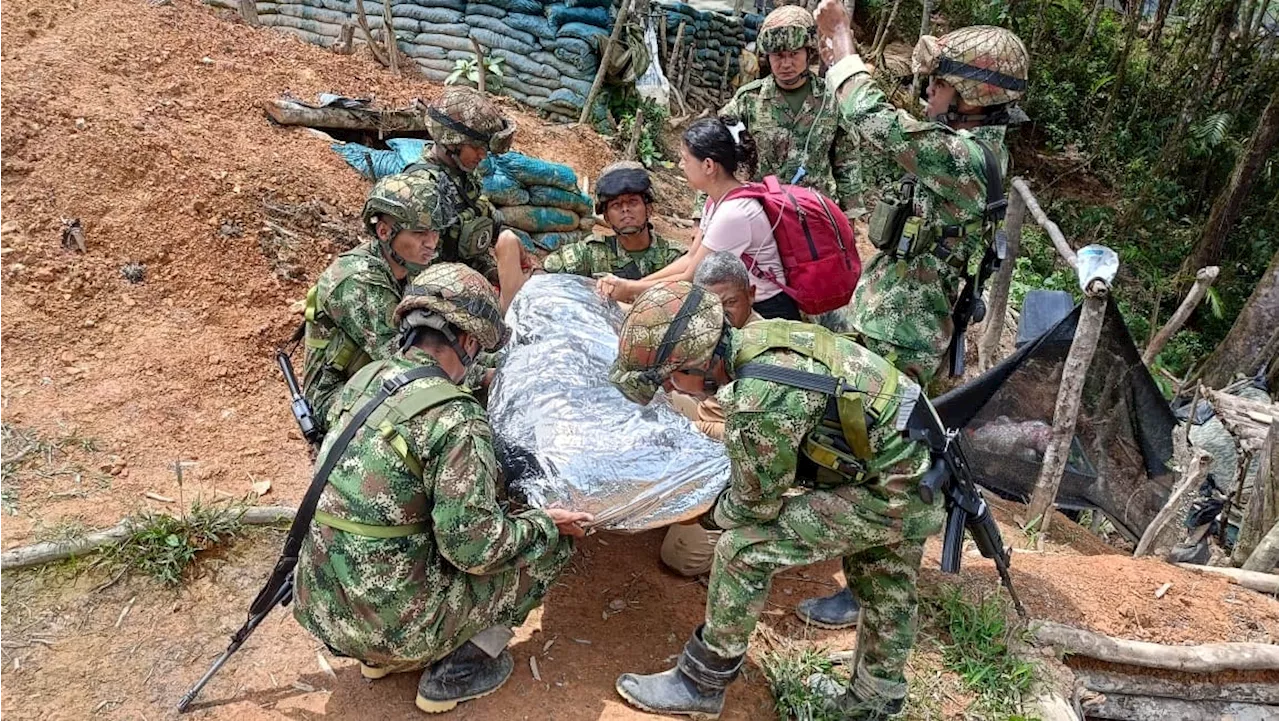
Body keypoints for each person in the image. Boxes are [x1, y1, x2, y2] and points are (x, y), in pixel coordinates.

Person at [794, 0, 1030, 635]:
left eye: (942, 82)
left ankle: (873, 589)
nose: (929, 91)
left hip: (907, 335)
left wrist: (842, 46)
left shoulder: (966, 159)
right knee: (859, 444)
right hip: (888, 318)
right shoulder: (961, 148)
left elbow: (877, 123)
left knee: (889, 462)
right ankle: (849, 559)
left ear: (973, 96)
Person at [609, 282, 941, 719]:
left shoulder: (758, 400)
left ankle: (700, 685)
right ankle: (875, 700)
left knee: (742, 550)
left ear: (702, 362)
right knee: (885, 581)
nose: (675, 388)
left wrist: (701, 512)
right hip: (916, 465)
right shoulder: (763, 340)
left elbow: (754, 507)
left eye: (671, 377)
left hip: (890, 489)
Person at [292, 263, 593, 714]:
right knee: (550, 544)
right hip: (395, 627)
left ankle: (379, 660)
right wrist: (543, 523)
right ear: (469, 342)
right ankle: (457, 670)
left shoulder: (364, 380)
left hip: (326, 611)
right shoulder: (457, 421)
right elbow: (474, 550)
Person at [597, 117, 802, 321]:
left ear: (708, 165)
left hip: (766, 313)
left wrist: (631, 290)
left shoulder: (734, 213)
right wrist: (632, 286)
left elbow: (691, 277)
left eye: (685, 159)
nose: (680, 165)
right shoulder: (715, 202)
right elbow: (689, 259)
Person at [302, 173, 451, 429]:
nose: (432, 242)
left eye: (435, 232)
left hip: (374, 376)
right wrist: (479, 375)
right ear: (384, 232)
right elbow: (405, 358)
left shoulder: (410, 266)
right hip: (336, 394)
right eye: (419, 233)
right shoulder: (357, 280)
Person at [660, 253, 763, 578]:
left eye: (730, 301)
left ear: (752, 294)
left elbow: (753, 441)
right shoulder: (709, 332)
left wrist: (687, 431)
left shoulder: (762, 353)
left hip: (750, 453)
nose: (721, 313)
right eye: (709, 304)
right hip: (714, 420)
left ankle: (751, 532)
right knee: (657, 404)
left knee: (680, 559)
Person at [714, 5, 862, 216]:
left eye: (794, 54)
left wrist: (850, 217)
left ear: (809, 52)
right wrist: (702, 213)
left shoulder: (831, 100)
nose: (786, 64)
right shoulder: (748, 100)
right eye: (778, 55)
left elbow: (847, 161)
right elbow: (717, 152)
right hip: (760, 214)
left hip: (814, 216)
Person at [493, 161, 682, 309]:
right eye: (616, 205)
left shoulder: (674, 257)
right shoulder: (591, 252)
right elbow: (545, 279)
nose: (625, 210)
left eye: (633, 202)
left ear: (649, 209)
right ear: (606, 217)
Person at [403, 86, 519, 284]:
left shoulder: (465, 176)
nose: (483, 156)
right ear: (452, 143)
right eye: (476, 148)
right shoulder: (422, 191)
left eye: (485, 149)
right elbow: (418, 271)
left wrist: (495, 272)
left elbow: (473, 245)